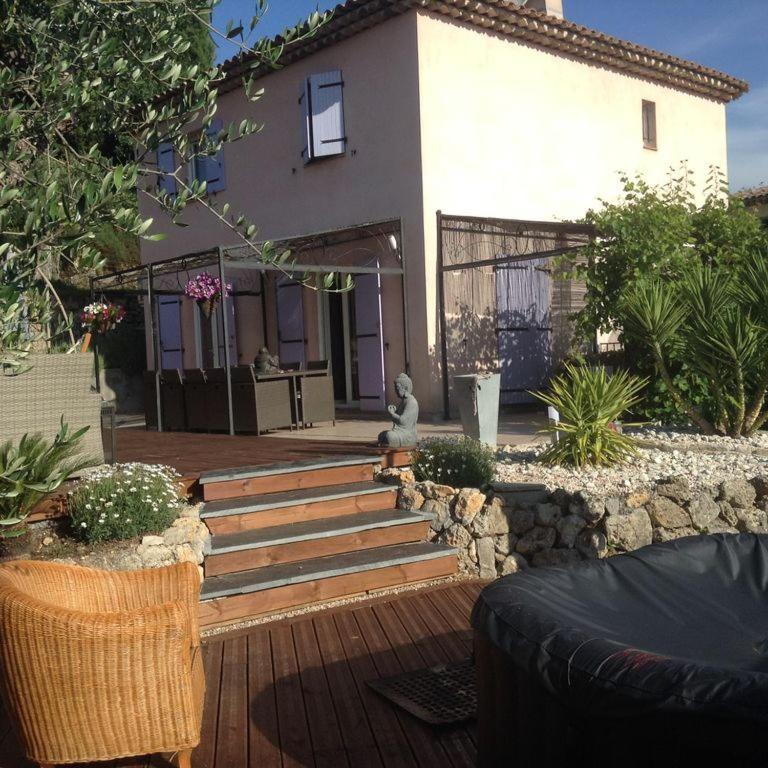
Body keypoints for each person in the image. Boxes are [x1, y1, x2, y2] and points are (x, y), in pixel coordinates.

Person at [378, 373, 419, 448]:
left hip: (408, 434)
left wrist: (392, 414)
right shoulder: (404, 401)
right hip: (400, 431)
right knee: (381, 435)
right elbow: (399, 417)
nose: (395, 391)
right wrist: (394, 411)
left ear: (405, 388)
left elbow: (403, 421)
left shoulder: (411, 402)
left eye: (397, 388)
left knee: (389, 436)